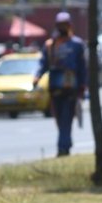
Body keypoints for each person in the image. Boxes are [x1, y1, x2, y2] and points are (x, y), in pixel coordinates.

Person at [37, 11, 87, 157]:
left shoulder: (77, 44)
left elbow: (83, 67)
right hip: (54, 88)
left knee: (67, 116)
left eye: (64, 25)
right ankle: (66, 141)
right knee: (59, 117)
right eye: (60, 25)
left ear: (70, 25)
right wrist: (37, 76)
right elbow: (43, 64)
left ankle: (63, 148)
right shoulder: (50, 45)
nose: (62, 28)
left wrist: (83, 85)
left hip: (71, 88)